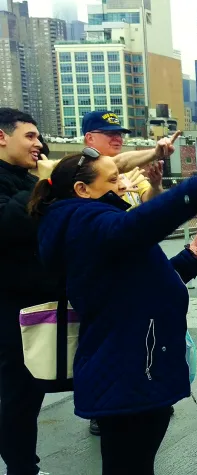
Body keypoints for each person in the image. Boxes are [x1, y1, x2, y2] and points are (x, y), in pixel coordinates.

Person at [29, 150, 197, 475]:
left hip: (133, 364)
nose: (123, 184)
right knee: (129, 464)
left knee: (134, 462)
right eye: (113, 179)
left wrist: (190, 261)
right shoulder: (87, 222)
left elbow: (132, 282)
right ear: (82, 190)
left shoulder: (88, 221)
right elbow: (140, 225)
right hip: (127, 368)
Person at [81, 111, 176, 435]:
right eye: (107, 133)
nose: (116, 138)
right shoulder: (82, 170)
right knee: (104, 342)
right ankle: (103, 409)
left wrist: (157, 185)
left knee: (142, 338)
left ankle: (146, 396)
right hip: (105, 272)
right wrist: (156, 150)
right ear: (88, 139)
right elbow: (117, 163)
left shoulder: (132, 173)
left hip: (138, 265)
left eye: (118, 132)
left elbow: (147, 214)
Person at [0, 109, 54, 475]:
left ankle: (24, 463)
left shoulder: (22, 177)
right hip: (9, 303)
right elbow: (9, 224)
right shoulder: (22, 182)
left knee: (29, 389)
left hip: (33, 301)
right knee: (19, 393)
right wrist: (44, 185)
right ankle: (21, 468)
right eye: (30, 136)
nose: (38, 144)